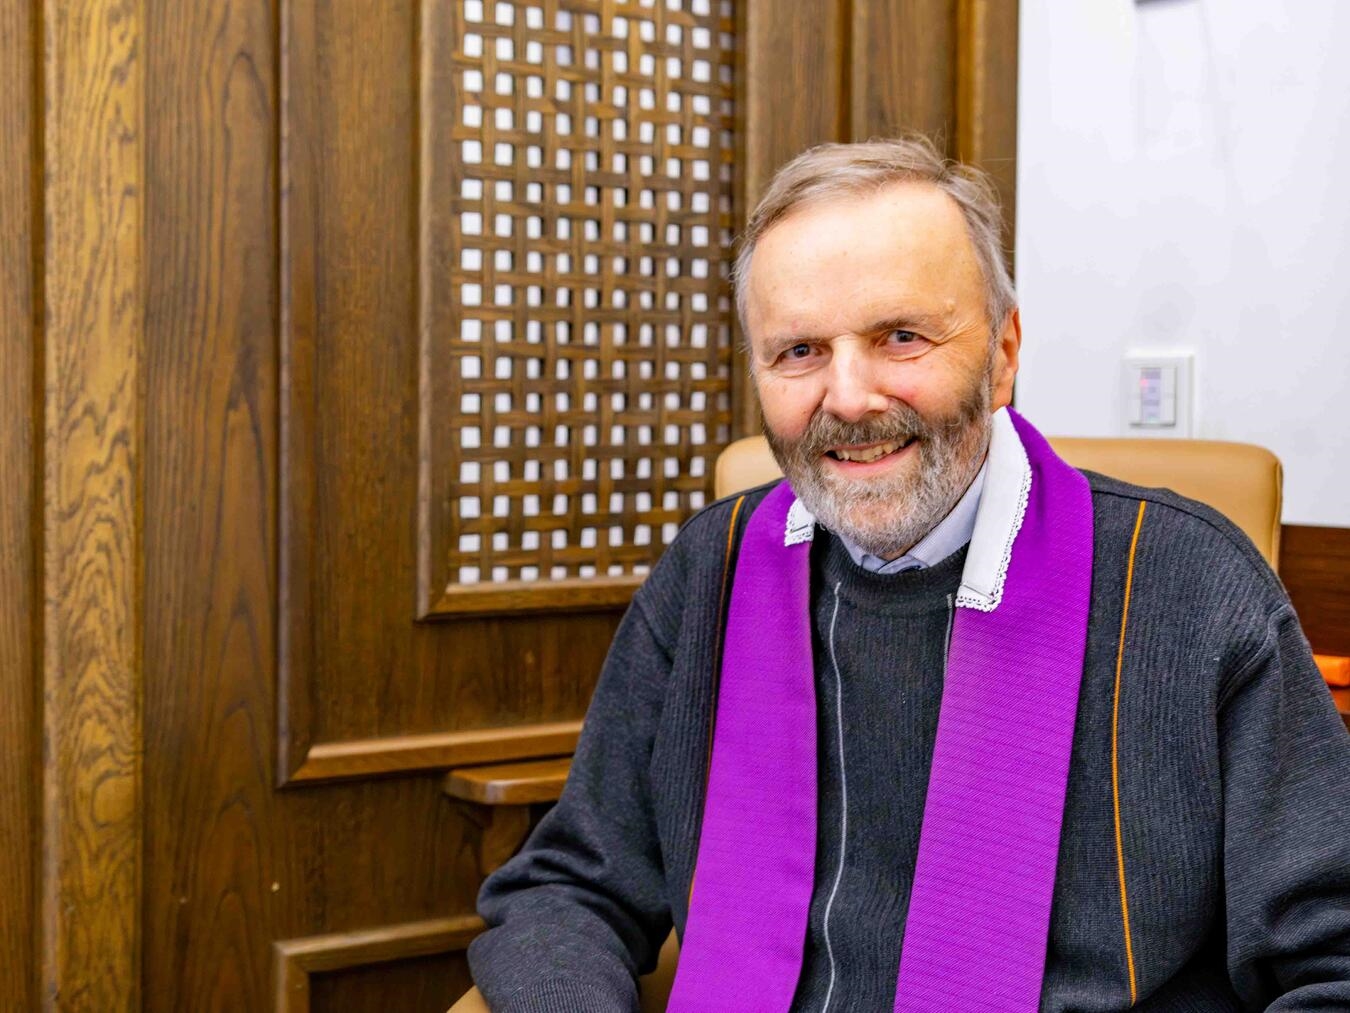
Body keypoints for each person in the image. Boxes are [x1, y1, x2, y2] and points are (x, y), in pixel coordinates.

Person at [465, 136, 1350, 1011]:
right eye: (799, 350)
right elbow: (570, 887)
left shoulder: (1193, 589)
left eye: (900, 336)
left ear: (1003, 354)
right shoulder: (712, 570)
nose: (849, 398)